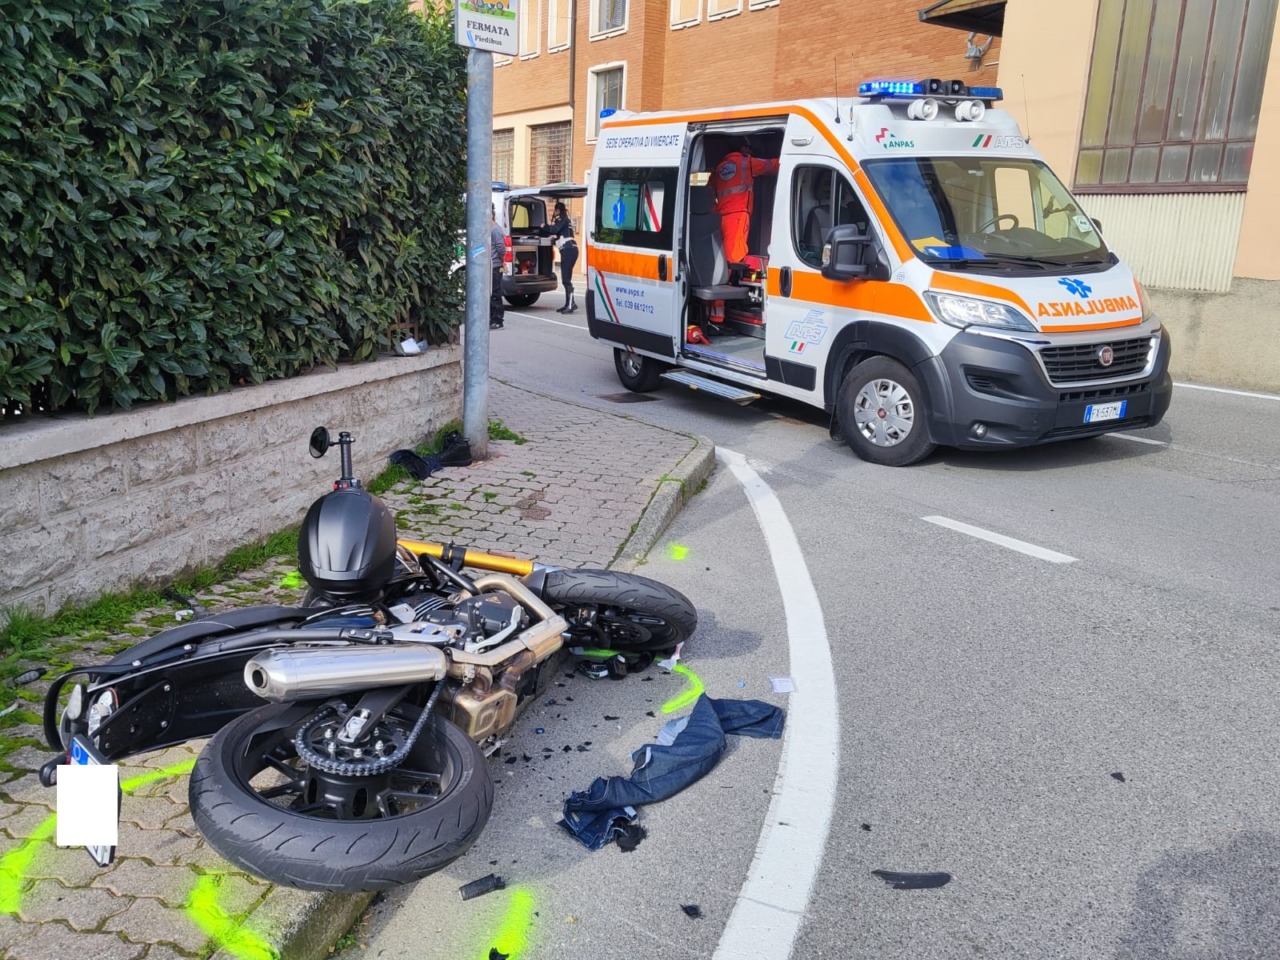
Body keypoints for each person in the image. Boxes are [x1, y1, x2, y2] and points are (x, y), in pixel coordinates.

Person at [712, 142, 779, 266]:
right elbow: (771, 166)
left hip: (720, 215)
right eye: (749, 147)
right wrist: (788, 159)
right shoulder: (746, 162)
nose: (751, 151)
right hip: (738, 215)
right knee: (735, 253)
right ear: (742, 147)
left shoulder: (720, 167)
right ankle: (730, 280)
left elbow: (710, 191)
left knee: (722, 250)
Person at [539, 201, 578, 313]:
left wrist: (543, 226)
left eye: (555, 211)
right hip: (569, 250)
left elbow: (553, 230)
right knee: (566, 278)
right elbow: (559, 235)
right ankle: (568, 303)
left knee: (566, 278)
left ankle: (571, 304)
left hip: (569, 250)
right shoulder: (565, 219)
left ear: (557, 210)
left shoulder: (562, 218)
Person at [490, 205, 505, 329]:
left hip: (496, 266)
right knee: (491, 293)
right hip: (491, 265)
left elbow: (501, 248)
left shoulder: (495, 230)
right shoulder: (491, 229)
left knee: (495, 292)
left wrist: (502, 261)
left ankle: (498, 320)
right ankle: (491, 318)